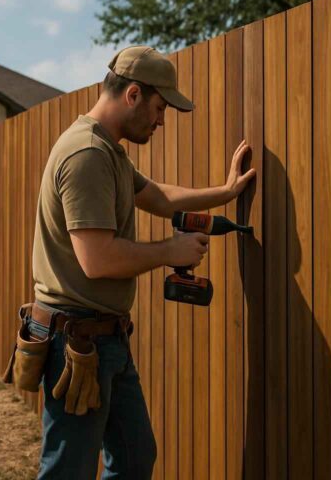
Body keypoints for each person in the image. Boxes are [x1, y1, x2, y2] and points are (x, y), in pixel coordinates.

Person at [29, 45, 256, 479]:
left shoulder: (109, 151)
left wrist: (225, 192)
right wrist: (168, 252)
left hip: (105, 338)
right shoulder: (87, 155)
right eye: (158, 107)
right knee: (68, 470)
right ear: (132, 94)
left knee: (135, 458)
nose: (161, 120)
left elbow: (160, 197)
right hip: (76, 340)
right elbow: (96, 259)